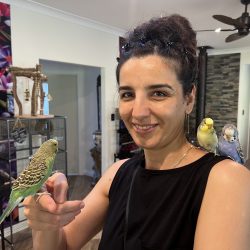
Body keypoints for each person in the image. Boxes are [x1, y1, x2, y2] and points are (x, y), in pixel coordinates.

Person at [23, 14, 250, 250]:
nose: (138, 112)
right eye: (128, 94)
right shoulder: (117, 174)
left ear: (189, 98)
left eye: (159, 93)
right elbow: (64, 245)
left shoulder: (225, 180)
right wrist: (46, 225)